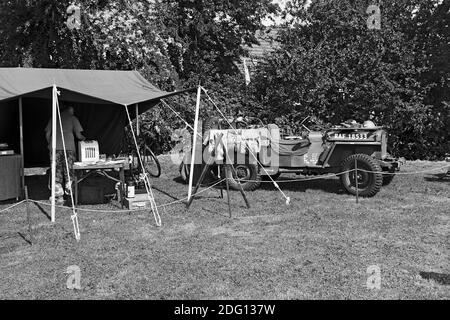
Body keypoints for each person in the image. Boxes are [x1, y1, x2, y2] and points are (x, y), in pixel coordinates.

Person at [45, 104, 86, 204]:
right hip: (69, 149)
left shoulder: (54, 117)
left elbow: (47, 133)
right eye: (73, 110)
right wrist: (84, 139)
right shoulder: (73, 118)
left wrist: (50, 144)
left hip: (55, 148)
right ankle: (70, 195)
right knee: (69, 171)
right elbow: (78, 135)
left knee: (56, 172)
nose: (74, 112)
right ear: (69, 109)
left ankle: (59, 196)